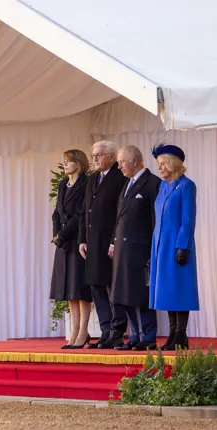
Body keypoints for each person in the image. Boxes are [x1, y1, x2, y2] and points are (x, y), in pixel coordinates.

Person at [107, 146, 161, 350]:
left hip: (140, 249)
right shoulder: (127, 184)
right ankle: (136, 337)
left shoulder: (152, 183)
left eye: (122, 162)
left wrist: (153, 249)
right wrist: (113, 241)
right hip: (122, 249)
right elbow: (119, 217)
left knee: (140, 294)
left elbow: (155, 220)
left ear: (135, 160)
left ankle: (148, 337)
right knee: (124, 294)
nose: (119, 166)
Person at [78, 140, 127, 349]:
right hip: (92, 243)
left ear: (111, 156)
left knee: (112, 287)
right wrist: (82, 239)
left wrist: (114, 240)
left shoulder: (119, 177)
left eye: (99, 155)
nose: (95, 159)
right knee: (97, 287)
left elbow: (121, 213)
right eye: (93, 155)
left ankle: (117, 330)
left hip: (109, 243)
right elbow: (84, 210)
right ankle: (106, 330)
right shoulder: (92, 179)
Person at [150, 143, 199, 350]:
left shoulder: (186, 185)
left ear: (173, 163)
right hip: (161, 244)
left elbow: (188, 219)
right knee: (167, 291)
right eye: (158, 164)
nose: (160, 168)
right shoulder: (162, 187)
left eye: (163, 164)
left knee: (179, 288)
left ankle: (181, 334)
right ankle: (172, 334)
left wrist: (182, 246)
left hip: (177, 244)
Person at [49, 150, 90, 349]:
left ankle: (83, 330)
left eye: (69, 161)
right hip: (63, 242)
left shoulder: (85, 183)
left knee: (80, 288)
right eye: (64, 161)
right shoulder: (63, 184)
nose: (65, 165)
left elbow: (80, 215)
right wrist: (56, 233)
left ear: (79, 164)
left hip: (77, 239)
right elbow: (57, 212)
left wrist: (63, 234)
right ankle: (73, 330)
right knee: (69, 290)